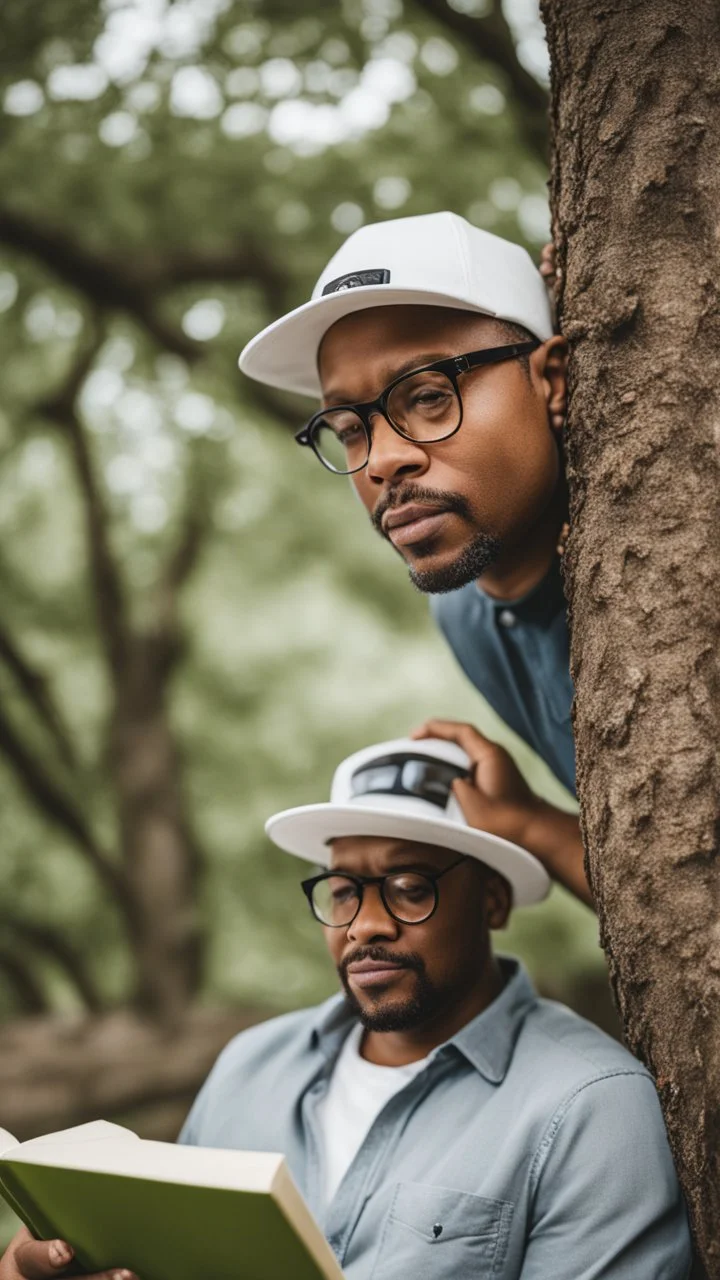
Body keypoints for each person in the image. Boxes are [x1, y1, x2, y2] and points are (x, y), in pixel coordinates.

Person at [0, 738, 690, 1280]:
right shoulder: (249, 1066)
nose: (364, 925)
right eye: (341, 890)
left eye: (407, 886)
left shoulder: (591, 1108)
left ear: (492, 901)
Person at [239, 211, 592, 905]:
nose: (382, 461)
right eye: (347, 428)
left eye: (429, 397)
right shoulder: (464, 618)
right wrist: (530, 825)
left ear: (552, 381)